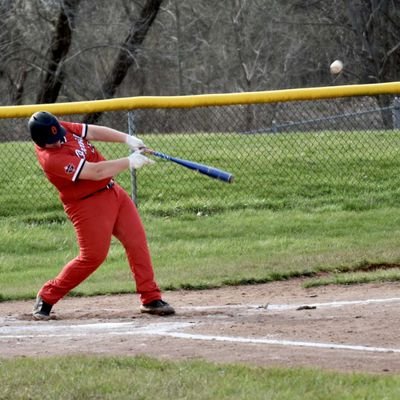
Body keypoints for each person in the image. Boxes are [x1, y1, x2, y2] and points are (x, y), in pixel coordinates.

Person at [28, 111, 175, 320]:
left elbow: (93, 131)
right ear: (41, 142)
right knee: (93, 257)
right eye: (51, 141)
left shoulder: (58, 127)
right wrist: (129, 161)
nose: (58, 140)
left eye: (58, 135)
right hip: (87, 205)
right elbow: (95, 172)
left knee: (137, 241)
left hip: (112, 191)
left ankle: (151, 298)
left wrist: (127, 139)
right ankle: (47, 296)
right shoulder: (51, 159)